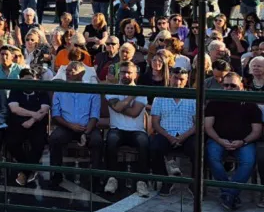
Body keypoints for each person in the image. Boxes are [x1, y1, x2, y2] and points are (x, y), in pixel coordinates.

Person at [206, 72, 263, 211]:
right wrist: (219, 140)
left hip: (244, 141)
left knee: (248, 161)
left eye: (233, 85)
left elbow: (257, 130)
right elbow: (207, 126)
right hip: (218, 139)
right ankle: (230, 194)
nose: (229, 88)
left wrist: (243, 141)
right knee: (212, 157)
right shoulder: (214, 102)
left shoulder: (250, 103)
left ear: (241, 86)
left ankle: (228, 194)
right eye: (226, 85)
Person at [48, 61, 102, 186]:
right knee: (54, 138)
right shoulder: (60, 90)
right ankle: (56, 174)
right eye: (66, 71)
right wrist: (70, 125)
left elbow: (94, 115)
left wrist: (86, 132)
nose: (68, 74)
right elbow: (56, 114)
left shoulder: (92, 90)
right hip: (66, 126)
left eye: (71, 71)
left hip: (87, 126)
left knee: (97, 141)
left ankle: (96, 178)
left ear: (81, 74)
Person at [103, 61, 150, 196]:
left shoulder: (142, 92)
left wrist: (120, 106)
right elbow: (118, 107)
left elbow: (134, 113)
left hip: (137, 130)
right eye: (123, 72)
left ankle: (142, 181)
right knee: (111, 140)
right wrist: (131, 96)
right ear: (119, 73)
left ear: (135, 74)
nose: (126, 75)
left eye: (129, 72)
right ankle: (112, 178)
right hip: (116, 128)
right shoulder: (112, 89)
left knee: (144, 142)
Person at [150, 66, 196, 193]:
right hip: (166, 134)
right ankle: (165, 179)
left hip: (187, 135)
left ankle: (194, 182)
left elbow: (197, 124)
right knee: (154, 148)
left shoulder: (193, 98)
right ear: (170, 78)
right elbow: (155, 123)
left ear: (186, 81)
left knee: (198, 149)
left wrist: (183, 137)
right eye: (175, 78)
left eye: (181, 79)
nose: (178, 82)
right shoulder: (160, 97)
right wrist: (169, 137)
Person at [6, 69, 51, 186]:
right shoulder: (15, 90)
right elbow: (14, 109)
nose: (28, 83)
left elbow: (44, 110)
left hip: (37, 124)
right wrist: (33, 114)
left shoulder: (41, 91)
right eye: (25, 80)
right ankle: (29, 168)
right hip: (18, 124)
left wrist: (32, 120)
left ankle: (24, 173)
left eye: (31, 79)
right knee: (11, 142)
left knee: (39, 143)